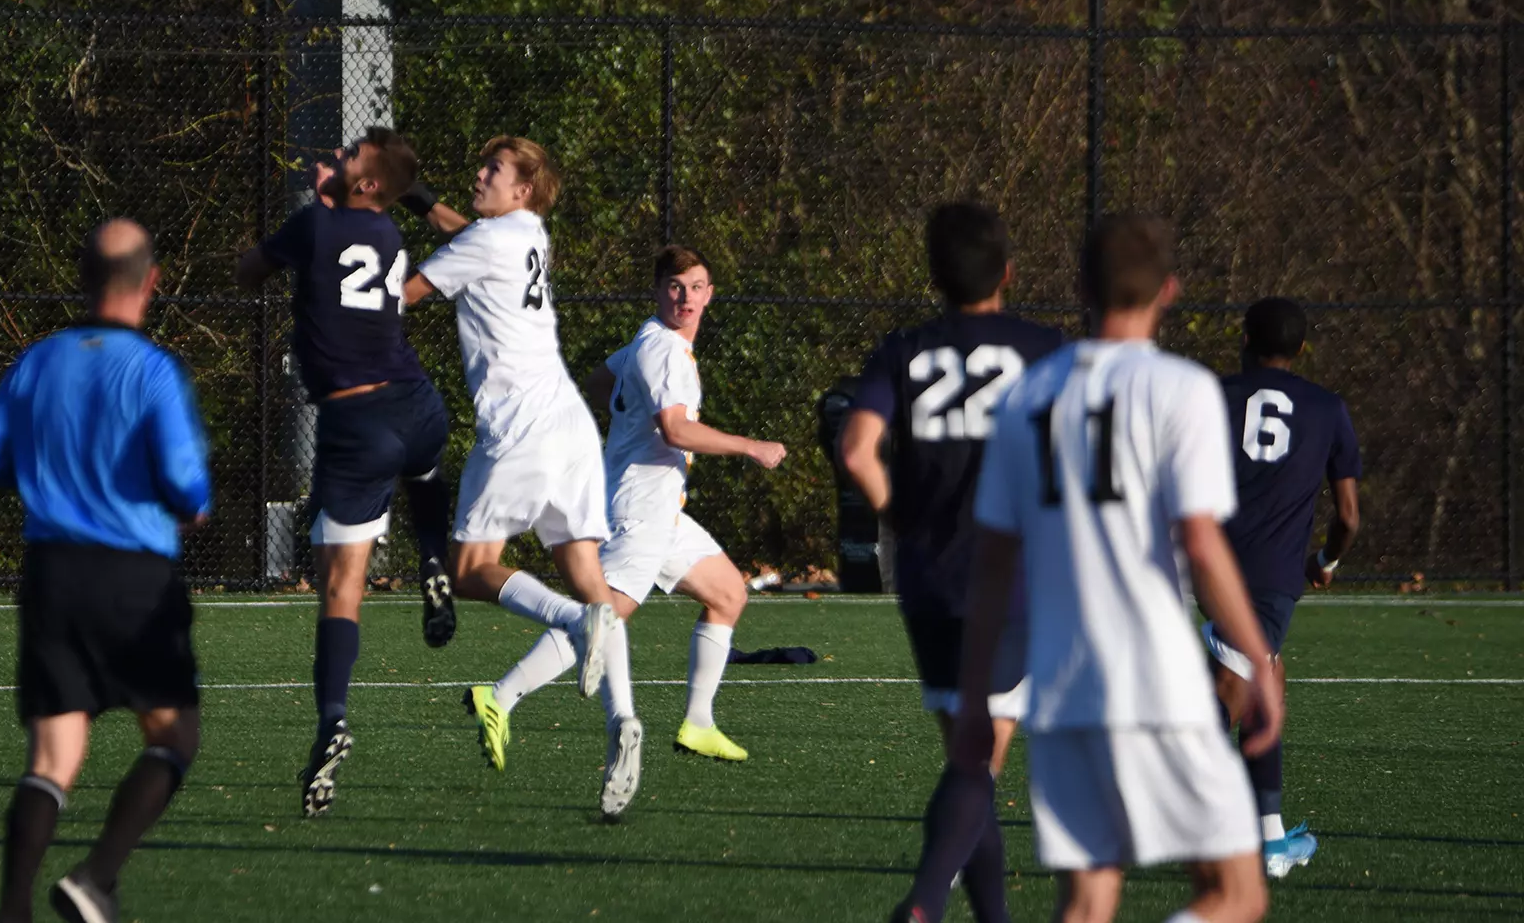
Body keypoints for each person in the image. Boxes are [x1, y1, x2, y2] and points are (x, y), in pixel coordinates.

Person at [952, 214, 1282, 923]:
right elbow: (1199, 539)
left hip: (1061, 684)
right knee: (1236, 894)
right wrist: (1255, 657)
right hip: (1155, 679)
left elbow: (993, 563)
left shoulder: (1025, 398)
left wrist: (975, 690)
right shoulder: (1180, 388)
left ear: (1081, 288)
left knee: (1089, 898)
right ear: (1170, 289)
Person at [0, 220, 211, 923]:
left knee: (52, 760)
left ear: (82, 277)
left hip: (51, 575)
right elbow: (187, 485)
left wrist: (53, 473)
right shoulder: (153, 369)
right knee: (174, 736)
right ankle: (97, 878)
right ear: (151, 281)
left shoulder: (38, 360)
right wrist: (182, 502)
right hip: (135, 580)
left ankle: (11, 913)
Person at [471, 245, 786, 769]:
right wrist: (751, 447)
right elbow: (676, 428)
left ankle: (698, 724)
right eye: (675, 286)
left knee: (728, 592)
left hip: (659, 509)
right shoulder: (665, 351)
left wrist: (627, 426)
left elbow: (601, 380)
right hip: (640, 510)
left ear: (709, 295)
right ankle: (499, 696)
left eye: (695, 287)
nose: (685, 297)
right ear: (658, 289)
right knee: (604, 619)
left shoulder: (647, 339)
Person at [837, 203, 1062, 923]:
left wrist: (901, 514)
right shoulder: (1044, 349)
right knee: (979, 762)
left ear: (934, 275)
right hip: (1014, 576)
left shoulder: (905, 349)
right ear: (1008, 272)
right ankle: (927, 901)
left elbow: (854, 447)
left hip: (929, 577)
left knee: (970, 758)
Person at [400, 136, 635, 819]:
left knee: (470, 568)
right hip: (569, 425)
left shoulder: (489, 241)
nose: (479, 173)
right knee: (592, 580)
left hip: (522, 427)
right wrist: (415, 196)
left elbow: (403, 295)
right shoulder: (526, 231)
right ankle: (624, 724)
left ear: (522, 191)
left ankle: (572, 622)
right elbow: (466, 232)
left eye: (493, 170)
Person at [236, 128, 461, 817]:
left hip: (355, 423)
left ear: (365, 184)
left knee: (340, 588)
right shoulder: (390, 233)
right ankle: (432, 556)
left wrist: (275, 250)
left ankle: (333, 717)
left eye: (349, 155)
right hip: (417, 403)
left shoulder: (316, 223)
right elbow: (468, 241)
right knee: (424, 468)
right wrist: (410, 191)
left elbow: (249, 270)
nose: (333, 155)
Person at [1208, 296, 1361, 879]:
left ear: (1244, 340)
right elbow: (1349, 516)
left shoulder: (1212, 396)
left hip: (1211, 564)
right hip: (1272, 578)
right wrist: (1326, 559)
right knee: (1224, 701)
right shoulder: (1327, 408)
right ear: (1301, 350)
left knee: (1265, 683)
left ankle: (1268, 836)